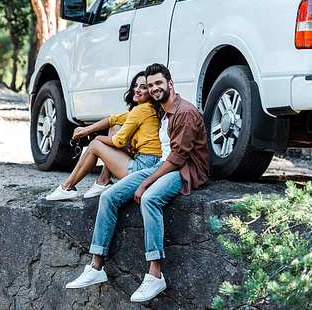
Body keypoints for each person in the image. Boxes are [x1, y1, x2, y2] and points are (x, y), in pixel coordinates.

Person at [64, 63, 210, 302]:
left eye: (158, 83)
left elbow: (177, 159)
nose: (153, 88)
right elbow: (126, 122)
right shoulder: (162, 109)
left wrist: (145, 183)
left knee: (150, 199)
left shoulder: (184, 112)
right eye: (150, 85)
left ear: (170, 84)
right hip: (160, 165)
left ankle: (155, 274)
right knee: (108, 197)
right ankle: (96, 267)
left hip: (184, 169)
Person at [46, 71, 164, 201]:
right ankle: (103, 181)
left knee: (95, 145)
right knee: (115, 127)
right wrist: (87, 130)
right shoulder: (148, 108)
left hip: (143, 169)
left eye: (143, 87)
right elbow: (113, 119)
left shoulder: (140, 110)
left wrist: (97, 139)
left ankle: (67, 187)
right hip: (151, 164)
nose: (136, 90)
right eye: (135, 85)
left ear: (151, 91)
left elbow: (119, 141)